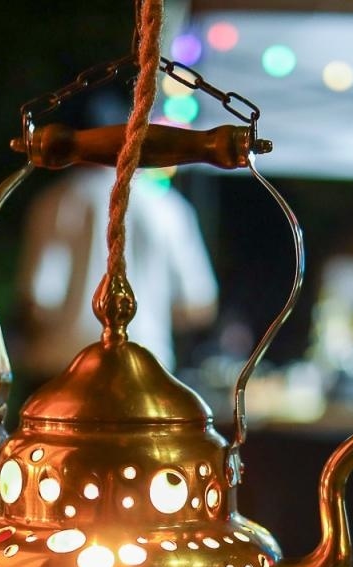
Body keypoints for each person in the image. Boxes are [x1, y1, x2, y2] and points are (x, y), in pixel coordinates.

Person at [13, 94, 217, 406]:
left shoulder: (57, 201)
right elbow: (198, 305)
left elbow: (38, 301)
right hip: (146, 374)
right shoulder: (169, 208)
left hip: (62, 372)